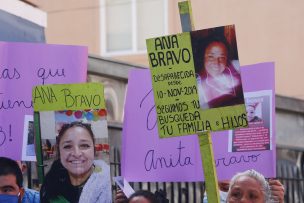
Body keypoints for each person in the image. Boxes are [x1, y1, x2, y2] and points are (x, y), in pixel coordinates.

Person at [40, 121, 111, 203]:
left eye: (84, 145)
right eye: (68, 146)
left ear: (94, 150)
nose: (77, 154)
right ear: (59, 152)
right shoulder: (50, 186)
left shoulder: (112, 188)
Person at [196, 35, 244, 109]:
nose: (216, 62)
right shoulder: (199, 86)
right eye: (211, 57)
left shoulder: (234, 66)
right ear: (203, 57)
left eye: (222, 57)